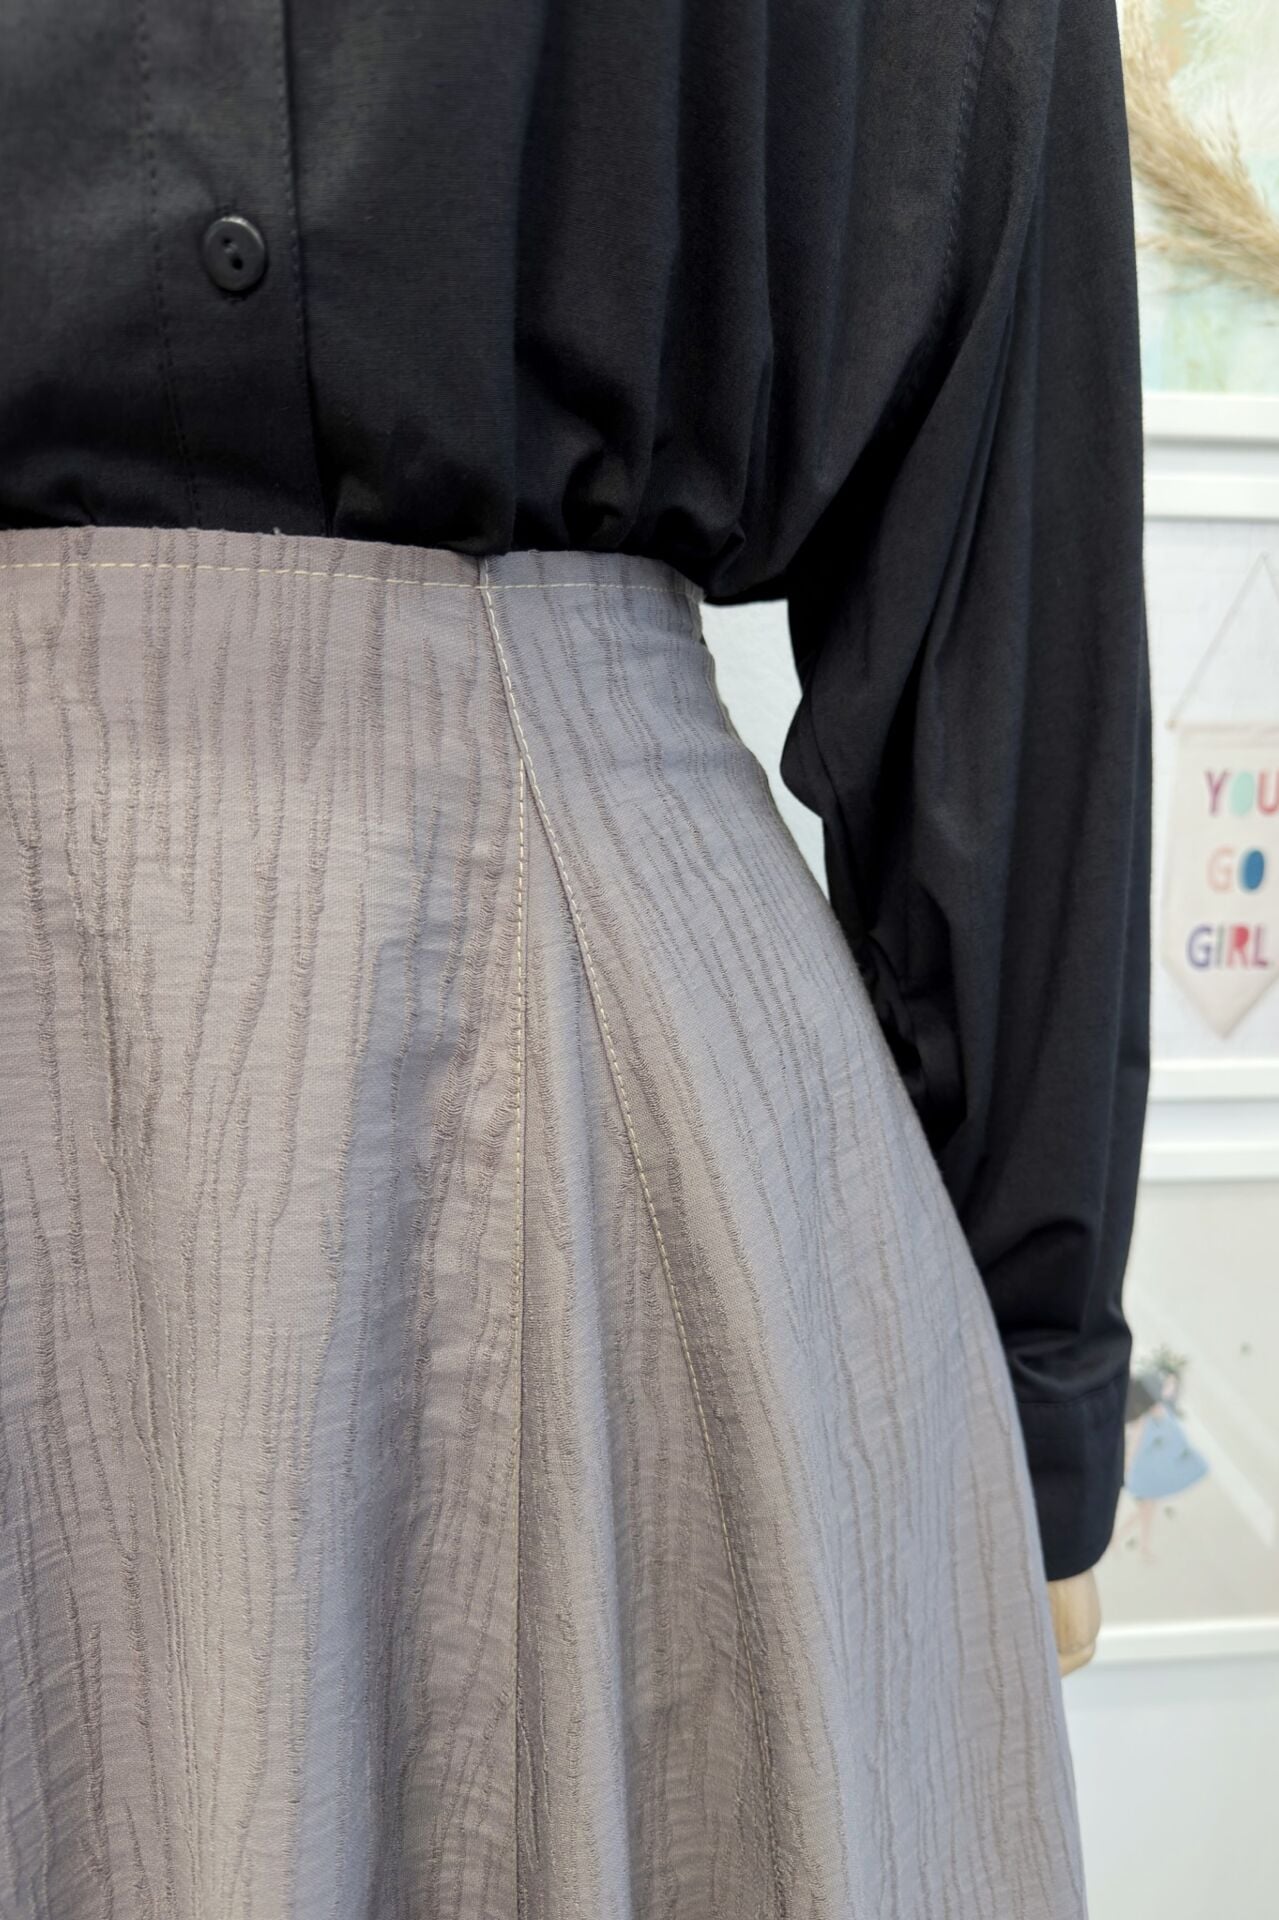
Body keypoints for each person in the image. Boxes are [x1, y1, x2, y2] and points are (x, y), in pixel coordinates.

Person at [0, 0, 1150, 1913]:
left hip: (579, 1083)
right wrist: (1035, 1394)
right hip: (584, 988)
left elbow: (997, 512)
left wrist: (1037, 1374)